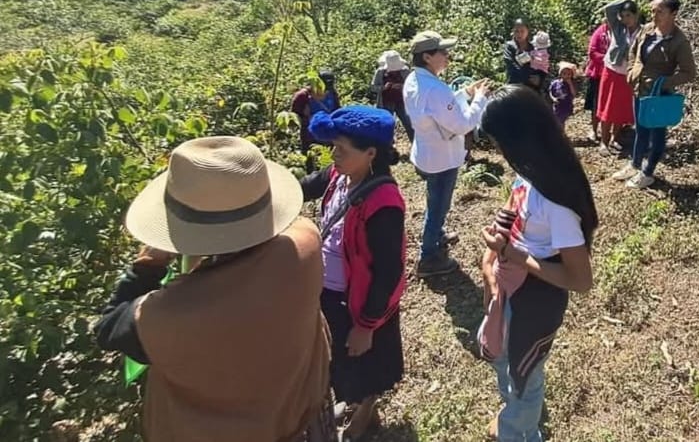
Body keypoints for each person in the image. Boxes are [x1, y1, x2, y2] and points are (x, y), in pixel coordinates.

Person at [94, 136, 334, 442]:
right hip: (302, 421)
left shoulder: (168, 314)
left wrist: (148, 265)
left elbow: (109, 326)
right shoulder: (305, 243)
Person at [477, 85, 599, 442]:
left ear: (518, 140)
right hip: (511, 287)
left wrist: (514, 255)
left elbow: (581, 280)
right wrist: (492, 259)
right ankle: (513, 415)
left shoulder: (557, 206)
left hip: (535, 300)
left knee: (526, 376)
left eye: (498, 142)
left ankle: (518, 430)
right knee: (507, 361)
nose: (498, 150)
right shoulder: (530, 174)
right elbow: (513, 207)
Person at [301, 106, 406, 441]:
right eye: (334, 147)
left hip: (362, 301)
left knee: (364, 357)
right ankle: (353, 398)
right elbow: (303, 187)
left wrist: (366, 325)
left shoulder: (383, 202)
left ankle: (366, 408)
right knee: (338, 358)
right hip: (330, 293)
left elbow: (389, 271)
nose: (334, 155)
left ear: (371, 153)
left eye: (342, 149)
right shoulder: (339, 176)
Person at [404, 30, 491, 276]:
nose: (447, 56)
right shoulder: (435, 89)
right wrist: (480, 99)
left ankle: (436, 234)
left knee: (435, 200)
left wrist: (465, 94)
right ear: (427, 57)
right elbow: (463, 125)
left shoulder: (414, 80)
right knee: (438, 206)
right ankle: (428, 257)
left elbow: (440, 109)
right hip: (442, 158)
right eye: (443, 52)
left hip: (427, 153)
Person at [613, 0, 696, 189]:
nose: (654, 15)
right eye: (652, 11)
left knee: (657, 135)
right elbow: (634, 50)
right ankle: (635, 164)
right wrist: (631, 71)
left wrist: (664, 82)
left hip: (659, 95)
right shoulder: (647, 30)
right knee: (640, 129)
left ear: (673, 14)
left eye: (660, 11)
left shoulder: (679, 41)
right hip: (639, 88)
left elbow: (689, 72)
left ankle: (648, 173)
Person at [597, 0, 641, 156]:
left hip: (628, 75)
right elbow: (609, 9)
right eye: (623, 15)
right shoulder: (618, 27)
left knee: (621, 108)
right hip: (612, 71)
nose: (626, 19)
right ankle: (603, 142)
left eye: (629, 15)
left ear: (636, 15)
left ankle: (615, 138)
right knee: (608, 107)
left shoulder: (643, 32)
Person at [292, 69, 343, 171]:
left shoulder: (332, 93)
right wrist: (305, 116)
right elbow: (293, 118)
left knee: (328, 163)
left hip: (329, 135)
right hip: (310, 136)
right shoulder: (303, 96)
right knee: (311, 164)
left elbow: (337, 111)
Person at [371, 50, 414, 142]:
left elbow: (413, 86)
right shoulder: (380, 72)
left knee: (409, 123)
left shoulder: (405, 71)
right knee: (386, 125)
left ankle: (415, 143)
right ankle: (388, 146)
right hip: (386, 102)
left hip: (402, 102)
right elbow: (373, 87)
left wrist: (402, 86)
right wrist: (384, 87)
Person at [583, 18, 610, 143]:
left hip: (614, 74)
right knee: (596, 103)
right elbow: (592, 52)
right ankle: (594, 130)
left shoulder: (621, 31)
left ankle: (610, 133)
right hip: (598, 74)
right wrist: (608, 58)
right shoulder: (600, 32)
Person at [503, 20, 542, 92]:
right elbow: (511, 65)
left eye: (522, 31)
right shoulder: (509, 46)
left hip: (531, 88)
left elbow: (539, 67)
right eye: (516, 31)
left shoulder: (533, 48)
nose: (519, 34)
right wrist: (527, 78)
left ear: (527, 31)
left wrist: (539, 78)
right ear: (513, 31)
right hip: (514, 86)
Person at [549, 62, 579, 128]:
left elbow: (574, 94)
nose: (566, 76)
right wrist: (553, 98)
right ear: (560, 74)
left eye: (569, 74)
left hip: (567, 105)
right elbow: (551, 92)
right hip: (557, 105)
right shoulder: (555, 83)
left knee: (561, 120)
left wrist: (570, 84)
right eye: (564, 73)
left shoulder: (572, 84)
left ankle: (560, 130)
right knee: (557, 119)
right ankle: (559, 130)